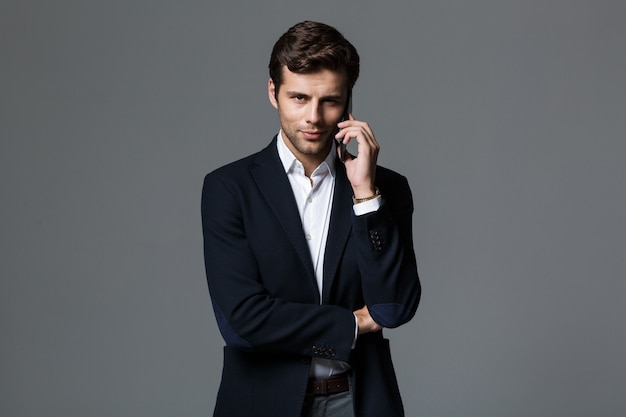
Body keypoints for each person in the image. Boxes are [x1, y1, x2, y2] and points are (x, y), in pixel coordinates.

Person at [201, 20, 421, 417]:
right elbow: (243, 324)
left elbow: (393, 307)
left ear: (348, 100)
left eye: (329, 101)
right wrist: (352, 325)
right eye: (299, 98)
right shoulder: (228, 188)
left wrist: (365, 196)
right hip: (261, 403)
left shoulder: (386, 189)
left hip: (360, 402)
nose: (314, 117)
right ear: (274, 93)